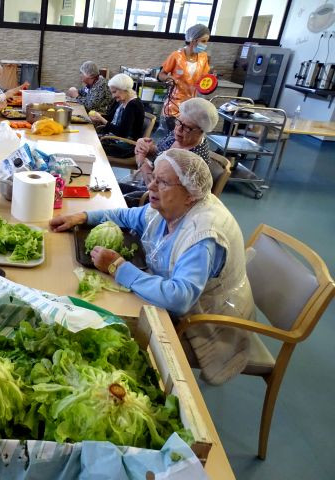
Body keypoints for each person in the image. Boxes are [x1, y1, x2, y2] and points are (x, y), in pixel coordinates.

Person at [50, 149, 254, 385]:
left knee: (110, 341)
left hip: (208, 324)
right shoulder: (172, 206)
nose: (151, 186)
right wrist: (83, 217)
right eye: (154, 177)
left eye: (163, 182)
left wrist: (118, 268)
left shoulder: (202, 236)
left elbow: (179, 298)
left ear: (190, 194)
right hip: (179, 304)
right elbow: (129, 216)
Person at [121, 97, 218, 206]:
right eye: (178, 121)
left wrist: (141, 162)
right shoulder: (177, 135)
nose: (178, 129)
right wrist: (143, 146)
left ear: (201, 131)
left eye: (187, 127)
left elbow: (157, 188)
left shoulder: (193, 160)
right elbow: (158, 152)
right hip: (144, 186)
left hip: (159, 202)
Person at [158, 23, 211, 129]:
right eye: (204, 41)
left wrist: (209, 83)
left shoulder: (203, 57)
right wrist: (168, 78)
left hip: (192, 106)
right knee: (172, 134)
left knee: (185, 135)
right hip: (174, 105)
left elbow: (204, 78)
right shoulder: (176, 56)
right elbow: (161, 75)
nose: (206, 44)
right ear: (194, 40)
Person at [89, 73, 145, 159]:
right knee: (89, 139)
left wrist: (102, 119)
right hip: (114, 139)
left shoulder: (133, 105)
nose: (113, 96)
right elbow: (110, 118)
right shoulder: (121, 101)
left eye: (114, 92)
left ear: (124, 89)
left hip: (126, 145)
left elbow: (122, 133)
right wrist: (98, 117)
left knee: (92, 146)